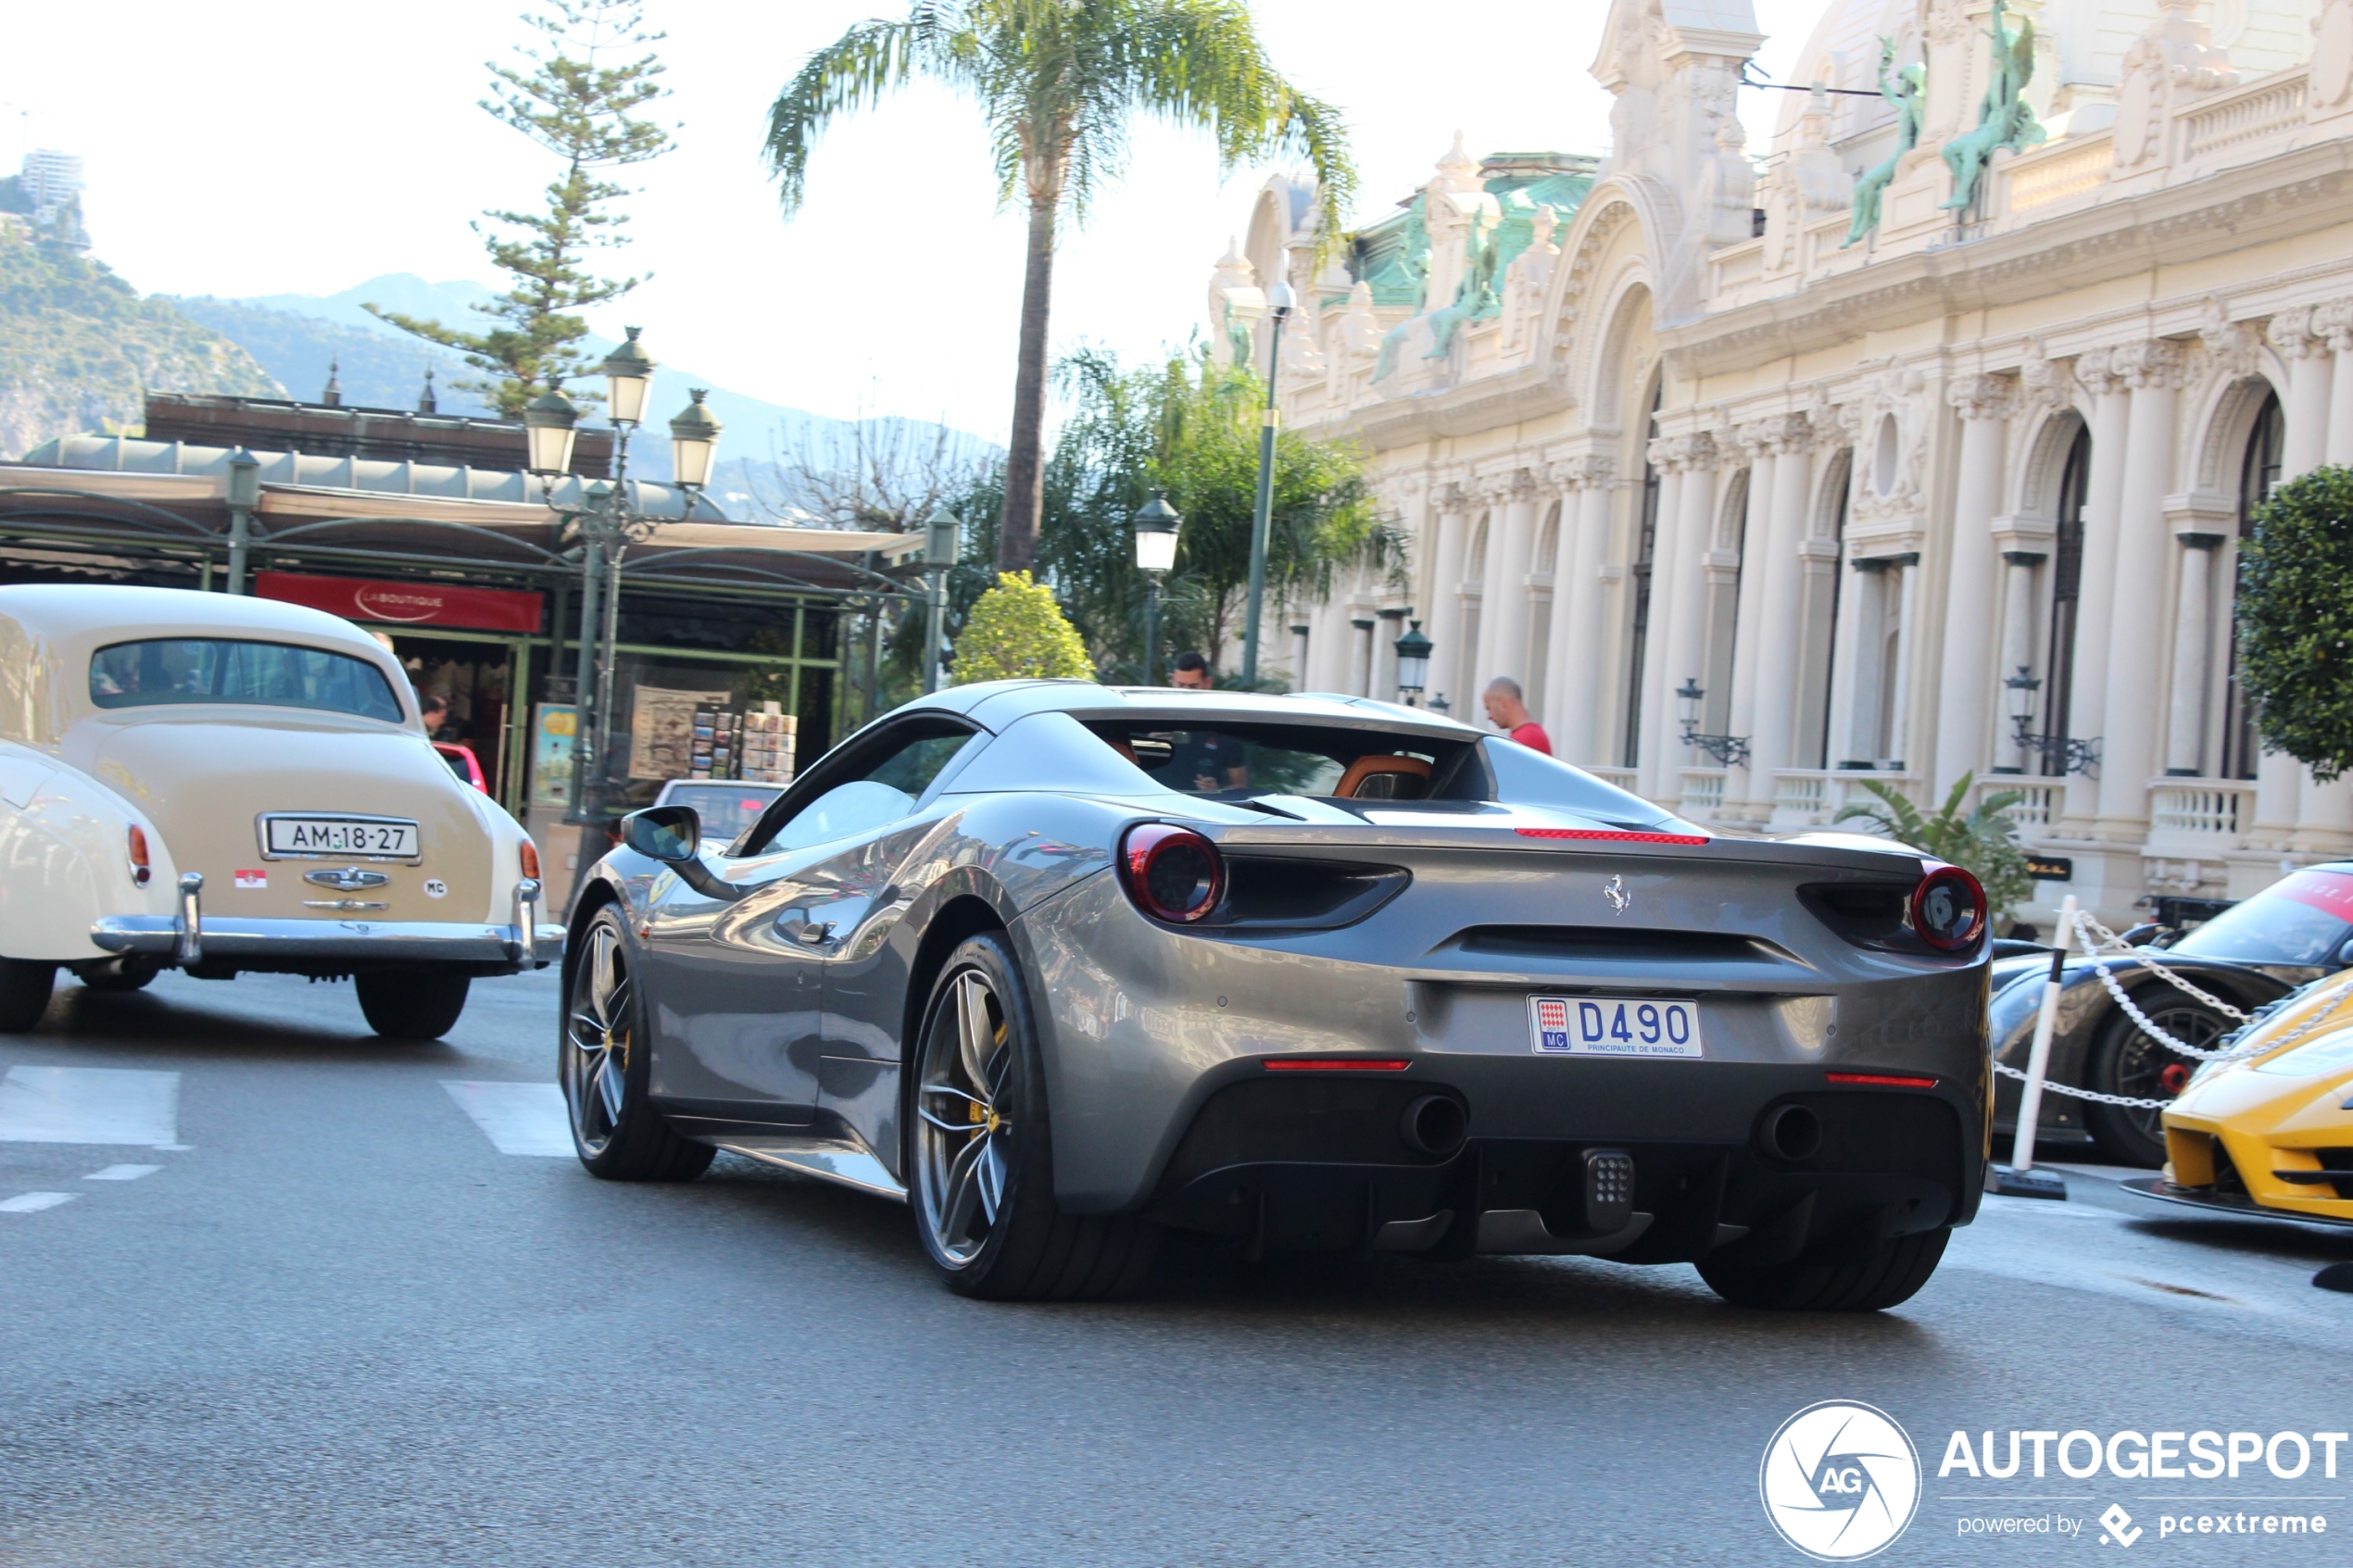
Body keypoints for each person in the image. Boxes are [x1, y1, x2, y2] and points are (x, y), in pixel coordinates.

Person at [1159, 652, 1247, 789]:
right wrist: (1148, 744)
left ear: (1207, 683)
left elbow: (1240, 785)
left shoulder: (1222, 728)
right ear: (1172, 680)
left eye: (1193, 687)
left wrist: (1217, 791)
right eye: (1181, 685)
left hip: (1205, 807)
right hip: (1153, 804)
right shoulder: (1153, 719)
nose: (1185, 693)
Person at [1483, 676, 1552, 754]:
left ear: (1503, 703)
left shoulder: (1526, 739)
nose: (1489, 716)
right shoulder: (1529, 736)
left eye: (1489, 708)